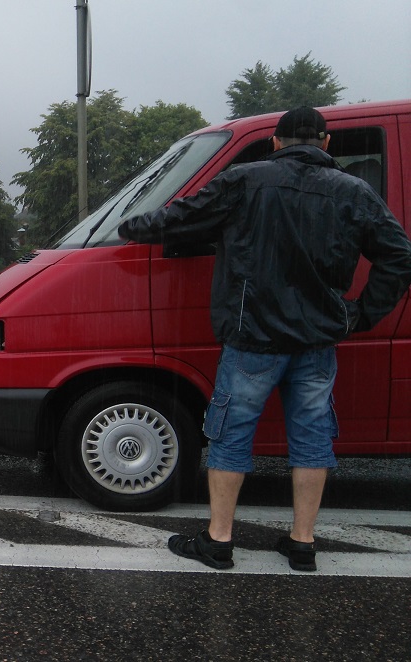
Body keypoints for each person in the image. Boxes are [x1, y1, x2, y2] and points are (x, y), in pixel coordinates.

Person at [118, 106, 411, 571]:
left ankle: (219, 542)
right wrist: (359, 315)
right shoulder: (354, 191)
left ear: (275, 142)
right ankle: (302, 544)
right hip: (317, 341)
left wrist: (129, 223)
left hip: (251, 337)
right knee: (312, 438)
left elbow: (182, 217)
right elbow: (399, 256)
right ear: (326, 144)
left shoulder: (245, 180)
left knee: (232, 436)